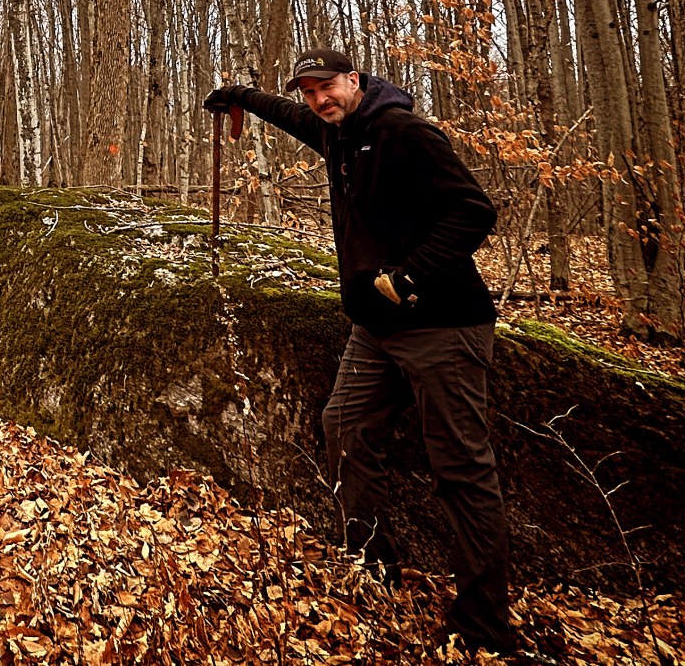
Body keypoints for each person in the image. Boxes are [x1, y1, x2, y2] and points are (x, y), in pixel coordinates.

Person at [206, 48, 515, 659]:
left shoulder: (402, 132)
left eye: (328, 87)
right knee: (344, 427)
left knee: (460, 469)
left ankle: (485, 625)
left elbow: (474, 211)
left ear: (355, 80)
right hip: (375, 329)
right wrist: (242, 96)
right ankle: (374, 567)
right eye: (309, 91)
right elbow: (293, 117)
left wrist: (410, 276)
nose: (319, 100)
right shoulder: (340, 133)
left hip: (441, 325)